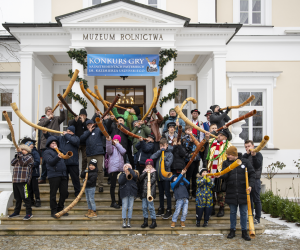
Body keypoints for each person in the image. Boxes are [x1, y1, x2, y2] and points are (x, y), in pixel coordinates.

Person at [219, 146, 255, 241]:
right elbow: (224, 176)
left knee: (243, 212)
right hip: (231, 190)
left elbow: (252, 173)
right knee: (233, 212)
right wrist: (220, 174)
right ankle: (232, 230)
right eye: (227, 154)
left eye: (229, 154)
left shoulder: (245, 162)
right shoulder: (226, 163)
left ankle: (244, 231)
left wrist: (250, 185)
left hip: (244, 191)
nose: (228, 156)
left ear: (235, 155)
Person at [43, 125, 80, 197]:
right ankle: (65, 194)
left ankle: (77, 193)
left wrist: (66, 134)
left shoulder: (76, 138)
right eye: (67, 131)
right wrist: (46, 133)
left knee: (75, 179)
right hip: (64, 163)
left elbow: (74, 141)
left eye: (69, 131)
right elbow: (51, 138)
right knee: (64, 180)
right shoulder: (61, 138)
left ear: (73, 133)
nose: (67, 132)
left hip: (73, 163)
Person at [203, 129, 232, 217]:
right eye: (218, 134)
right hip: (211, 170)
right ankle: (212, 207)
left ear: (225, 137)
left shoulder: (228, 145)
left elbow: (230, 158)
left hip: (221, 171)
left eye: (221, 135)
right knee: (211, 189)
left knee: (221, 190)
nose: (218, 136)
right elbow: (206, 152)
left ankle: (221, 208)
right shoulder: (212, 143)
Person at [38, 101, 65, 184]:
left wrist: (61, 107)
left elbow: (63, 117)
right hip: (45, 143)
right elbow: (39, 125)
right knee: (45, 162)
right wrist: (49, 118)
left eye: (51, 111)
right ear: (46, 113)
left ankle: (56, 175)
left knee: (57, 159)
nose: (51, 112)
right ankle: (43, 177)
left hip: (55, 143)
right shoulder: (43, 120)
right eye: (49, 111)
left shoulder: (56, 119)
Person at [43, 136, 68, 218]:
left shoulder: (59, 151)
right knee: (53, 193)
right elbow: (50, 162)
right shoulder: (47, 152)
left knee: (64, 193)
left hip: (63, 174)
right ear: (49, 144)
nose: (54, 144)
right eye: (53, 143)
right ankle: (53, 210)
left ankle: (60, 208)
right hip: (53, 175)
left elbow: (66, 156)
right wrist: (57, 157)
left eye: (56, 143)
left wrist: (60, 151)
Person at [8, 144, 34, 220]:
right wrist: (17, 156)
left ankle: (29, 213)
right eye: (21, 150)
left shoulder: (29, 157)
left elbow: (23, 163)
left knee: (25, 197)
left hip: (24, 180)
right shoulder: (19, 157)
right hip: (15, 180)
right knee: (17, 197)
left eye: (23, 150)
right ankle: (16, 212)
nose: (22, 151)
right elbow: (12, 163)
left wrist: (20, 155)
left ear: (27, 151)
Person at [80, 120, 106, 192]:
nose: (89, 126)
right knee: (90, 170)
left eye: (90, 124)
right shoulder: (86, 132)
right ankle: (90, 184)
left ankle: (100, 186)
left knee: (100, 170)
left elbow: (105, 132)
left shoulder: (98, 130)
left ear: (93, 124)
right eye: (88, 125)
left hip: (98, 153)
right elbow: (81, 139)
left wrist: (101, 124)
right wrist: (89, 131)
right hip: (89, 154)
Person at [150, 138, 173, 219]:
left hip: (166, 177)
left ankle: (169, 210)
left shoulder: (169, 154)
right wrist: (160, 151)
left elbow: (167, 165)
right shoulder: (159, 152)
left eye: (163, 145)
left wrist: (163, 158)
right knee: (160, 194)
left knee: (167, 193)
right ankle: (161, 208)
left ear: (167, 145)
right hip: (159, 177)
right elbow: (152, 157)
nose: (162, 147)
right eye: (160, 146)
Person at [243, 140, 263, 224]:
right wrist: (248, 155)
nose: (248, 148)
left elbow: (257, 165)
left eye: (249, 146)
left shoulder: (258, 154)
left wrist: (253, 156)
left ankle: (257, 218)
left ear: (253, 146)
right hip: (247, 179)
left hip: (256, 179)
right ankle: (250, 216)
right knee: (249, 199)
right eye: (246, 147)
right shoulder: (245, 155)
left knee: (256, 199)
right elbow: (242, 164)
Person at [106, 135, 126, 209]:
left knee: (121, 186)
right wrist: (108, 141)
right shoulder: (111, 147)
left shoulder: (120, 148)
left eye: (117, 140)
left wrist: (118, 144)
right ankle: (113, 202)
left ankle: (120, 201)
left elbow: (124, 151)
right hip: (113, 169)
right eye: (115, 140)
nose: (116, 141)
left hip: (120, 169)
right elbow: (108, 151)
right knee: (113, 186)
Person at [21, 138, 41, 207]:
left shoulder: (35, 152)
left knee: (35, 188)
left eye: (32, 144)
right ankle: (30, 201)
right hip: (27, 174)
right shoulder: (24, 153)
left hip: (34, 173)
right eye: (30, 144)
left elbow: (37, 162)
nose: (31, 145)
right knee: (29, 188)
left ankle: (37, 200)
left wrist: (29, 165)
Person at [182, 125, 201, 199]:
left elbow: (198, 146)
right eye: (188, 130)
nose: (189, 131)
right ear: (185, 131)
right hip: (189, 159)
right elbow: (186, 149)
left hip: (196, 159)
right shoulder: (184, 138)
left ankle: (194, 192)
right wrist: (190, 142)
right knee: (188, 176)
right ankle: (187, 193)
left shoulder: (195, 137)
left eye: (190, 130)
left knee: (195, 177)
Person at [69, 109, 90, 173]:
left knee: (85, 158)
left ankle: (83, 172)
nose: (82, 116)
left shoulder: (88, 121)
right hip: (77, 143)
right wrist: (75, 120)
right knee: (75, 158)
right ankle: (76, 172)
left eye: (83, 115)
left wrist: (84, 122)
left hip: (85, 143)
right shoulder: (76, 121)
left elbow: (88, 130)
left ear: (86, 116)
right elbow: (71, 126)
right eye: (81, 115)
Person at [118, 163, 139, 228]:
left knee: (130, 207)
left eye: (128, 167)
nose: (127, 168)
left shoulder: (133, 174)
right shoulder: (122, 175)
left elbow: (135, 177)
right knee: (124, 207)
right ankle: (124, 221)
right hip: (124, 192)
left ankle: (129, 221)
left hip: (131, 192)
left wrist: (130, 170)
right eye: (125, 167)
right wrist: (125, 175)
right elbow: (120, 182)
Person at [139, 159, 157, 229]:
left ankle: (154, 222)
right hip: (144, 192)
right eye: (147, 166)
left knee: (151, 207)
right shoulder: (144, 172)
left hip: (150, 192)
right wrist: (145, 172)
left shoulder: (154, 172)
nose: (149, 167)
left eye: (150, 166)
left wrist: (150, 183)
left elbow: (154, 179)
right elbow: (140, 178)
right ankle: (145, 221)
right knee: (144, 207)